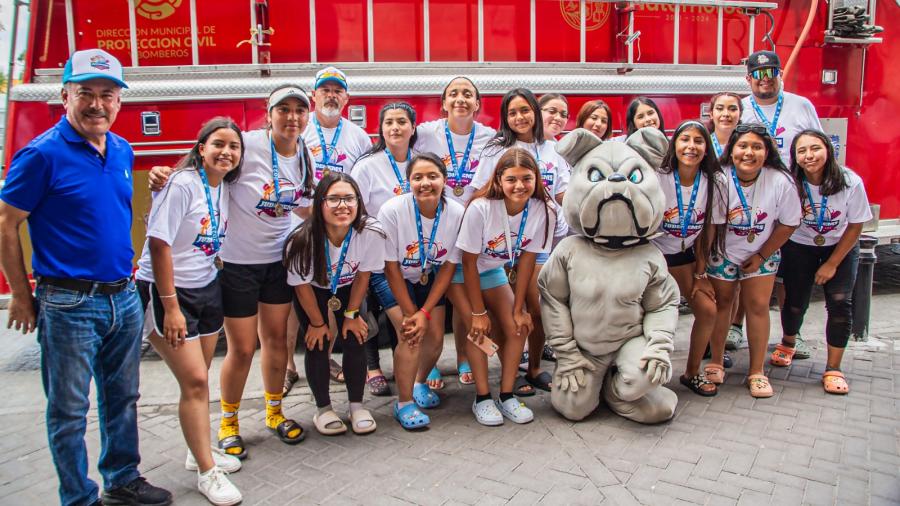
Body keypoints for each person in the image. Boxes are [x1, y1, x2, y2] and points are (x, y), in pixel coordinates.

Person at [0, 48, 172, 506]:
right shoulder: (40, 155)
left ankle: (122, 478)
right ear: (65, 96)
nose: (97, 104)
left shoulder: (120, 148)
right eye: (86, 94)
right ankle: (79, 497)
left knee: (123, 398)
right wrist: (21, 294)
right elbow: (5, 223)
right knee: (70, 411)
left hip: (123, 296)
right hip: (68, 303)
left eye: (108, 95)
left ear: (120, 101)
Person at [148, 84, 316, 459]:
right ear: (268, 112)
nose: (292, 117)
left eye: (299, 110)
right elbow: (206, 166)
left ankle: (274, 413)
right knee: (241, 348)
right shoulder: (247, 144)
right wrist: (162, 173)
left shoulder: (307, 156)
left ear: (308, 115)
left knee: (277, 342)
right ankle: (229, 423)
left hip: (279, 263)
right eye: (283, 109)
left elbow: (303, 208)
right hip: (237, 264)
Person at [135, 118, 244, 505]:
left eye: (234, 146)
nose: (226, 152)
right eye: (218, 144)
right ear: (201, 147)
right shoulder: (181, 185)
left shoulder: (224, 188)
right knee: (196, 382)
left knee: (198, 381)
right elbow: (159, 245)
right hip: (168, 293)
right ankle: (206, 473)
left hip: (206, 287)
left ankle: (197, 449)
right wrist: (170, 308)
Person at [471, 88, 569, 395]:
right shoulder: (495, 149)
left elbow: (565, 194)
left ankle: (536, 366)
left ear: (536, 113)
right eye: (512, 113)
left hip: (539, 240)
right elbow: (480, 191)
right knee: (508, 316)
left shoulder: (553, 150)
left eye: (525, 110)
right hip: (502, 246)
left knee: (536, 310)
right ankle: (509, 375)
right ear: (505, 118)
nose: (520, 117)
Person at [457, 148, 554, 425]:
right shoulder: (481, 207)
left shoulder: (542, 210)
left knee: (519, 326)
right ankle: (483, 398)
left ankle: (507, 394)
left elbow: (527, 260)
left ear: (536, 179)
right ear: (499, 179)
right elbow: (467, 262)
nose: (520, 186)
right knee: (480, 332)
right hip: (461, 275)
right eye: (511, 179)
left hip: (492, 271)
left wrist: (519, 307)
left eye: (527, 178)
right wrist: (477, 312)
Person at [284, 173, 385, 435]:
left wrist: (352, 314)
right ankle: (324, 409)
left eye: (349, 198)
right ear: (320, 204)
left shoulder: (370, 231)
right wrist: (317, 323)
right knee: (317, 343)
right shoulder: (301, 241)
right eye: (334, 199)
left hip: (350, 287)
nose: (343, 206)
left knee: (355, 338)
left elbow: (363, 275)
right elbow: (301, 286)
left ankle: (356, 406)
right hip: (313, 291)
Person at [739, 50, 824, 359]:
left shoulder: (801, 106)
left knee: (792, 270)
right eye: (758, 74)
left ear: (780, 75)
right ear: (748, 79)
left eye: (771, 72)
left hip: (794, 200)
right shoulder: (741, 108)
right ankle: (736, 327)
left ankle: (791, 335)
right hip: (753, 201)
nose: (765, 79)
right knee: (746, 262)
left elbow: (820, 146)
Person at [706, 123, 801, 398]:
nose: (749, 153)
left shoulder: (780, 180)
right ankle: (715, 360)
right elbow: (712, 223)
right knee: (722, 305)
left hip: (762, 252)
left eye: (757, 147)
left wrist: (760, 256)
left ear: (767, 151)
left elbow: (788, 223)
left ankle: (756, 371)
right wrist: (706, 260)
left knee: (758, 306)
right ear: (731, 150)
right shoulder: (719, 177)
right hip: (723, 252)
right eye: (743, 146)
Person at [773, 130, 871, 394]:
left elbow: (856, 224)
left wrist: (832, 263)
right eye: (801, 151)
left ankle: (833, 368)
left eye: (815, 148)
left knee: (840, 304)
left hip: (839, 247)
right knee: (794, 302)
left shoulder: (850, 181)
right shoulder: (791, 182)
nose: (809, 156)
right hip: (800, 247)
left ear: (828, 149)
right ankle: (788, 342)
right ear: (795, 156)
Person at [413, 76, 496, 388]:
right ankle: (430, 361)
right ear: (443, 104)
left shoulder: (490, 138)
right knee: (435, 295)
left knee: (464, 293)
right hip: (434, 224)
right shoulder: (425, 133)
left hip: (472, 224)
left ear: (477, 104)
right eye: (453, 94)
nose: (460, 99)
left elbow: (491, 180)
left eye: (467, 94)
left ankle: (463, 356)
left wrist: (469, 210)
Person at [294, 66, 373, 388]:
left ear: (346, 98)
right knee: (298, 301)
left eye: (337, 90)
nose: (331, 95)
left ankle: (332, 359)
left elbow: (361, 186)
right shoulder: (300, 131)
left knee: (336, 291)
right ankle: (290, 366)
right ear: (314, 96)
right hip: (302, 228)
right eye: (325, 89)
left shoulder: (358, 136)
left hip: (341, 232)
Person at [378, 153, 465, 428]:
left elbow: (449, 267)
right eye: (417, 178)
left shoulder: (457, 213)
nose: (425, 183)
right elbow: (390, 268)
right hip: (392, 278)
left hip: (430, 276)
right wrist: (411, 313)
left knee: (436, 337)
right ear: (409, 183)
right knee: (412, 335)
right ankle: (403, 403)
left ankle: (417, 383)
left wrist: (425, 310)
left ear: (444, 180)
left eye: (432, 176)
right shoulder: (392, 210)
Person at [651, 120, 724, 397]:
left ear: (707, 148)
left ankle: (691, 372)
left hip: (686, 257)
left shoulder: (715, 182)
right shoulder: (658, 176)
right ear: (675, 144)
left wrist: (701, 273)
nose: (691, 146)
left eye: (698, 141)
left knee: (707, 310)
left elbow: (709, 230)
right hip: (653, 254)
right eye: (685, 140)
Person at [351, 102, 418, 396]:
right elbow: (356, 211)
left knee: (401, 313)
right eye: (389, 122)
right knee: (369, 311)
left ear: (413, 128)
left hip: (410, 255)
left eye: (402, 121)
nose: (395, 127)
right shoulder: (367, 165)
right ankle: (372, 368)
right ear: (380, 129)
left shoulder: (421, 161)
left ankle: (401, 366)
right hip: (373, 253)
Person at [705, 92, 742, 364]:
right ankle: (706, 339)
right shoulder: (703, 143)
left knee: (731, 291)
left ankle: (720, 344)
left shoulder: (746, 144)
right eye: (720, 108)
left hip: (737, 228)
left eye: (732, 109)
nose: (726, 114)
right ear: (711, 113)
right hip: (704, 227)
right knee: (709, 291)